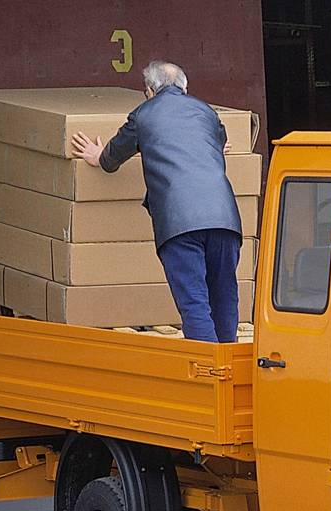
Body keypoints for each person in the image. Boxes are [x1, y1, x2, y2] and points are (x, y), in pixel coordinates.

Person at [71, 61, 241, 342]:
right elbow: (219, 145)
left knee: (194, 303)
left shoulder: (143, 115)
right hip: (224, 219)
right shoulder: (207, 112)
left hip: (179, 223)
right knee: (224, 297)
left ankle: (209, 375)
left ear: (149, 90)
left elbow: (111, 160)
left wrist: (98, 155)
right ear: (185, 88)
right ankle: (231, 369)